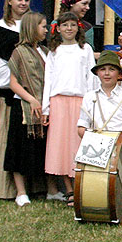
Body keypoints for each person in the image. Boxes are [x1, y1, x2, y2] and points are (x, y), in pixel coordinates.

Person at [0, 0, 46, 200]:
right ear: (9, 2)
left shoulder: (33, 27)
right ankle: (10, 188)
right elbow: (0, 67)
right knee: (12, 142)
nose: (23, 3)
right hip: (12, 94)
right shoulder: (1, 28)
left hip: (35, 95)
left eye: (26, 0)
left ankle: (37, 185)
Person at [77, 50, 122, 212]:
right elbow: (81, 127)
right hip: (98, 150)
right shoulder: (89, 97)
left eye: (112, 69)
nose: (107, 73)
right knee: (97, 201)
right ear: (97, 73)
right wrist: (91, 139)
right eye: (103, 69)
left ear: (119, 73)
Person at [42, 11, 96, 206]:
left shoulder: (85, 49)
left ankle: (82, 185)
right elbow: (48, 80)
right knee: (61, 145)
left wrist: (91, 103)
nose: (69, 29)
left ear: (78, 28)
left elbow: (91, 77)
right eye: (65, 25)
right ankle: (69, 188)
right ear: (58, 28)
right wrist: (46, 108)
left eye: (73, 25)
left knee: (78, 143)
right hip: (59, 102)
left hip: (80, 101)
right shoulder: (54, 51)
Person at [6, 12, 54, 206]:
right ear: (32, 28)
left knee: (45, 149)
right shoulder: (18, 52)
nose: (46, 30)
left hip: (44, 107)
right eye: (43, 26)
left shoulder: (44, 50)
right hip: (25, 108)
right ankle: (21, 192)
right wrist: (31, 99)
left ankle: (52, 189)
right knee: (21, 149)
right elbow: (13, 82)